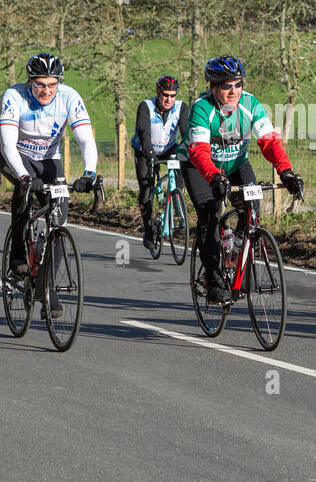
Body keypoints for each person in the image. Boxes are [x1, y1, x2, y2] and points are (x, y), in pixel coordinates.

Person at [184, 55, 304, 304]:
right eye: (227, 86)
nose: (234, 91)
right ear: (213, 87)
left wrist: (287, 172)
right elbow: (198, 152)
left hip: (237, 164)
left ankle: (237, 255)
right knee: (208, 213)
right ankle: (214, 278)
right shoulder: (202, 108)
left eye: (238, 84)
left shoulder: (251, 104)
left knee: (252, 208)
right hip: (200, 168)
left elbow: (269, 142)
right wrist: (214, 176)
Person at [0, 53, 98, 276]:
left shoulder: (69, 97)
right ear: (29, 81)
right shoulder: (14, 95)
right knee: (24, 192)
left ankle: (47, 286)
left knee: (59, 222)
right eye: (40, 84)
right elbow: (7, 144)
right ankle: (18, 249)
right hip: (14, 155)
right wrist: (24, 177)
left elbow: (86, 139)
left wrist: (89, 173)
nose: (47, 91)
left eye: (52, 85)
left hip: (49, 159)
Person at [130, 75, 186, 249]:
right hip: (145, 150)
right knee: (146, 188)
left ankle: (175, 199)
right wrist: (150, 153)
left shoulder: (181, 107)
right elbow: (143, 132)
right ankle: (147, 229)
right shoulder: (146, 106)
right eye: (165, 95)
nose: (169, 99)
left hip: (169, 148)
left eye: (172, 95)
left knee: (184, 169)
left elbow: (186, 133)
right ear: (158, 93)